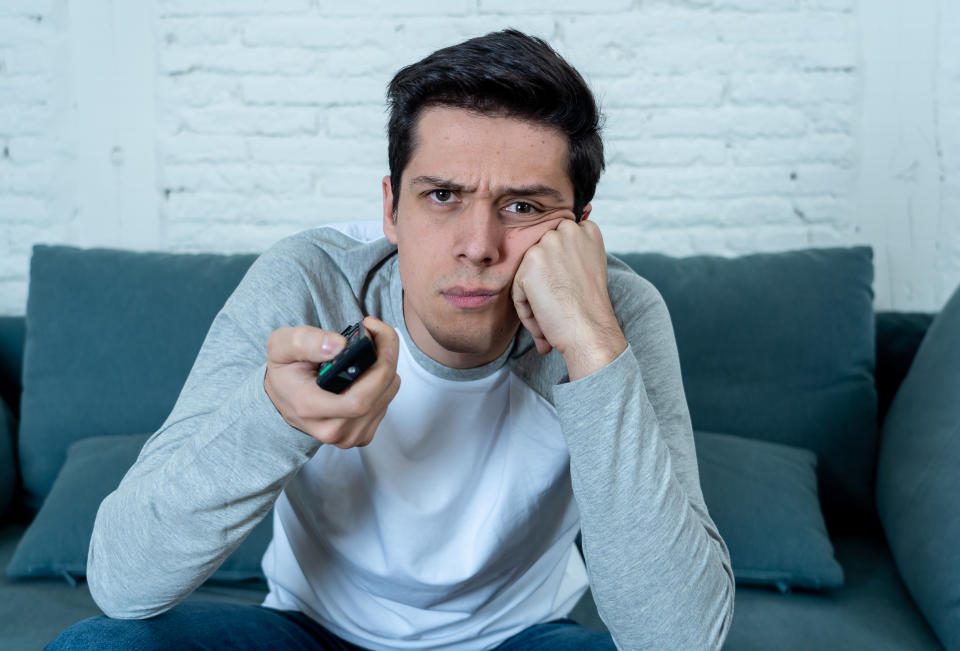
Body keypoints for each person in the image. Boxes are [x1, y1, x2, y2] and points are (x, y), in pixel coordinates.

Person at [49, 29, 734, 650]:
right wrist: (276, 414)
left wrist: (590, 345)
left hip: (519, 638)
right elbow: (122, 581)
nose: (477, 246)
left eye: (523, 206)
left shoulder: (618, 315)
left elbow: (678, 640)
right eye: (442, 196)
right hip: (310, 632)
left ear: (582, 228)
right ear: (390, 209)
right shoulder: (308, 282)